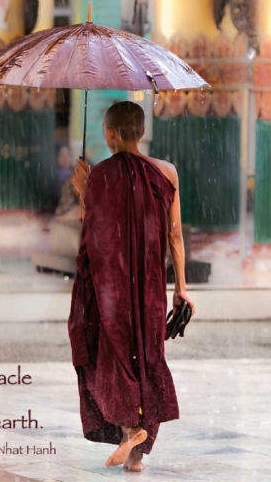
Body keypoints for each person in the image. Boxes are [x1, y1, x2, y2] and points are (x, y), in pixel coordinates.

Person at [69, 101, 195, 472]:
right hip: (151, 285)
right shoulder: (167, 172)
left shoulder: (101, 176)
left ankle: (129, 430)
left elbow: (93, 233)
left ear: (109, 133)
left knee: (112, 356)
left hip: (113, 288)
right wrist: (181, 287)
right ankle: (136, 456)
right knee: (147, 354)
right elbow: (174, 233)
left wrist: (84, 191)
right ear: (141, 133)